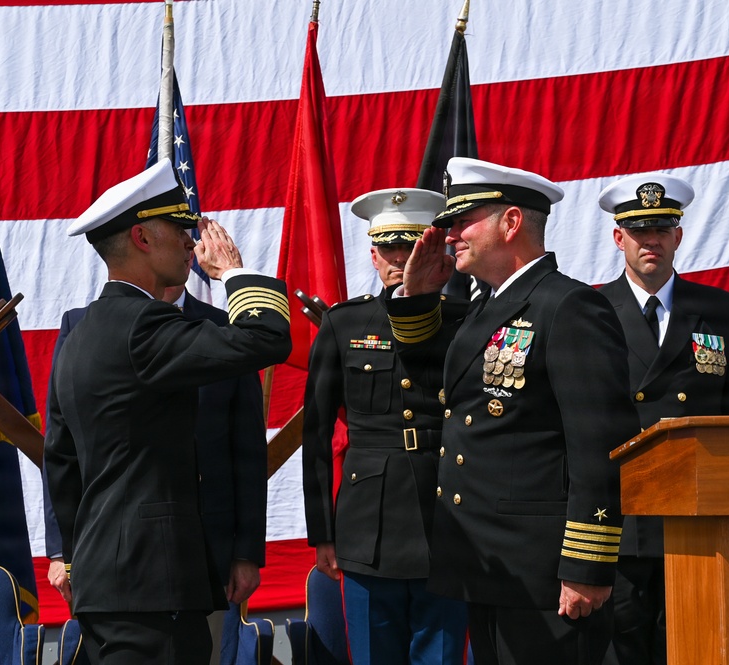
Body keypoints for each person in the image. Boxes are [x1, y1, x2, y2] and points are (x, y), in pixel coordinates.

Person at [386, 157, 640, 665]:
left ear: (511, 222)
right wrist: (415, 296)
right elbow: (437, 380)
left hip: (544, 573)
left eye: (463, 220)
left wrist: (587, 564)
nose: (451, 234)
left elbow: (599, 447)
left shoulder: (566, 306)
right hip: (490, 566)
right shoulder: (488, 305)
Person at [44, 159, 291, 665]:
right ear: (141, 237)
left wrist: (72, 558)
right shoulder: (144, 325)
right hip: (150, 586)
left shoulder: (80, 334)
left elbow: (62, 462)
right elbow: (267, 337)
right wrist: (231, 272)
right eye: (178, 227)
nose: (189, 240)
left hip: (105, 582)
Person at [41, 282, 268, 665]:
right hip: (115, 555)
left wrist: (246, 552)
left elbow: (246, 449)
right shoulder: (80, 327)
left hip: (207, 553)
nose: (185, 244)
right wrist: (63, 552)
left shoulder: (221, 326)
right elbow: (63, 451)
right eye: (176, 230)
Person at [302, 187, 469, 665]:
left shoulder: (463, 321)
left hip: (447, 517)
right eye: (389, 247)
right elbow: (316, 436)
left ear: (432, 251)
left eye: (411, 245)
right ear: (373, 255)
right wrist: (323, 533)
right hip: (367, 527)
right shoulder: (344, 323)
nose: (400, 257)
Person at [597, 173, 729, 665]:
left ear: (678, 236)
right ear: (618, 237)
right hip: (620, 516)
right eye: (639, 231)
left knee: (694, 649)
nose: (651, 242)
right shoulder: (589, 310)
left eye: (662, 230)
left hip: (694, 517)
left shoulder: (722, 311)